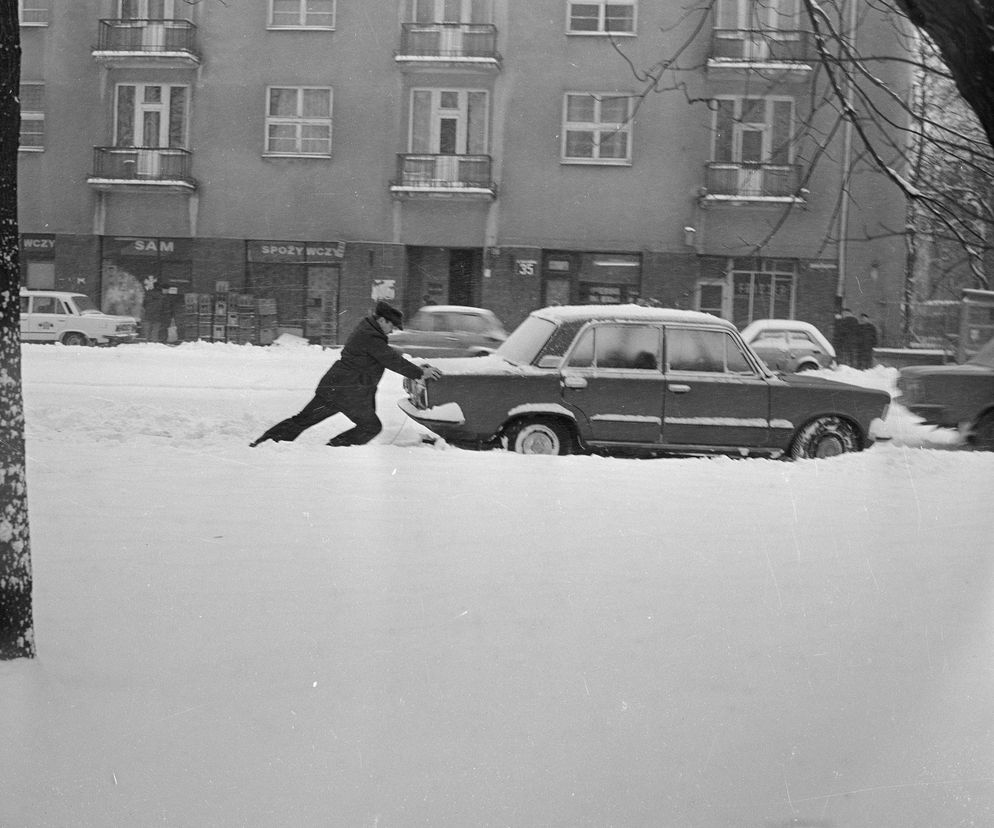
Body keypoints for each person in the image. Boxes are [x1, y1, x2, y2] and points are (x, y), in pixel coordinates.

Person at [249, 301, 443, 447]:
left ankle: (265, 444)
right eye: (391, 325)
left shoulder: (368, 329)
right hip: (346, 391)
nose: (392, 330)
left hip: (338, 388)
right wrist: (419, 373)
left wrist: (409, 363)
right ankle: (334, 449)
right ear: (382, 320)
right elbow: (389, 358)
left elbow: (384, 353)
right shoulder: (371, 336)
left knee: (302, 420)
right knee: (370, 427)